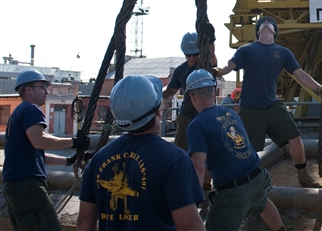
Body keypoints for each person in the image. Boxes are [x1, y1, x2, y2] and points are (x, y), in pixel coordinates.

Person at [76, 75, 205, 231]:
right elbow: (188, 225)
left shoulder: (99, 160)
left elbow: (84, 221)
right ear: (158, 109)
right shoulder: (174, 160)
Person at [216, 16, 322, 188]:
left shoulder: (283, 53)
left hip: (273, 105)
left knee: (295, 138)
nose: (266, 22)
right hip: (250, 108)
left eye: (269, 23)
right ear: (258, 31)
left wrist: (319, 88)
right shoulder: (246, 50)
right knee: (246, 148)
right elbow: (229, 66)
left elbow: (300, 74)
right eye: (262, 23)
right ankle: (243, 182)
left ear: (274, 31)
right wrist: (218, 71)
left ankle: (303, 175)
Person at [185, 70, 286, 231]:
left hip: (233, 191)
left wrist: (192, 203)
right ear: (214, 91)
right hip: (258, 177)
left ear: (193, 96)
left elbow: (198, 166)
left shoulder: (197, 125)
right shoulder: (230, 113)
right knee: (262, 202)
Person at [3, 70, 91, 231]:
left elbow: (37, 156)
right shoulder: (31, 109)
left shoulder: (17, 113)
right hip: (28, 187)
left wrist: (67, 160)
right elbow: (39, 141)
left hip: (14, 188)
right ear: (29, 90)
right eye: (43, 87)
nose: (47, 91)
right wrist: (74, 142)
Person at [162, 29, 218, 150]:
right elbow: (170, 90)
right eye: (188, 55)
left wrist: (211, 41)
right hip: (186, 118)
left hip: (208, 116)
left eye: (195, 54)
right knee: (183, 150)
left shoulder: (205, 66)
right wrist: (156, 92)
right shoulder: (180, 71)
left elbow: (212, 56)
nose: (192, 58)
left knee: (211, 151)